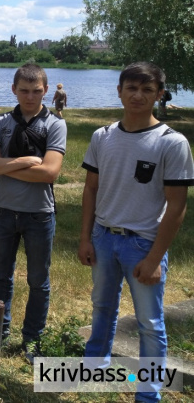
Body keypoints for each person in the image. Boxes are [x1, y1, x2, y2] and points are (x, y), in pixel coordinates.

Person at [78, 62, 193, 403]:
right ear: (119, 91)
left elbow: (176, 206)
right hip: (103, 236)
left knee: (149, 322)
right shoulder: (102, 136)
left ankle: (148, 394)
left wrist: (155, 257)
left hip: (143, 244)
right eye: (131, 88)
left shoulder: (172, 143)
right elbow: (90, 189)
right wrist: (85, 237)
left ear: (159, 95)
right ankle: (93, 367)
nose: (138, 95)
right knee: (102, 306)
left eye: (147, 89)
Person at [0, 63, 66, 363]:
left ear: (45, 90)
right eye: (24, 91)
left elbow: (50, 173)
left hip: (39, 214)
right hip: (5, 212)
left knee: (38, 280)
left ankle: (33, 339)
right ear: (14, 89)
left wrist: (5, 164)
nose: (30, 97)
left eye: (37, 91)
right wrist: (26, 162)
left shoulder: (54, 125)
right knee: (0, 277)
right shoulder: (1, 122)